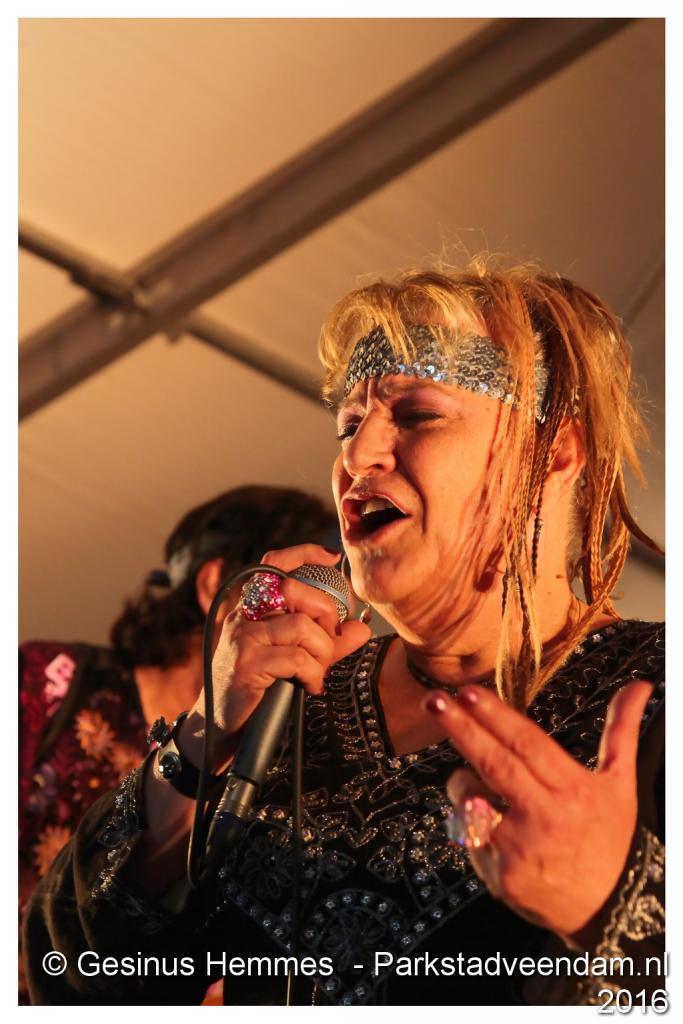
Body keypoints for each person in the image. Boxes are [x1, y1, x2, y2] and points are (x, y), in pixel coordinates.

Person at [24, 262, 664, 1007]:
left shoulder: (655, 691)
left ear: (552, 453)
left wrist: (614, 912)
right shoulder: (296, 703)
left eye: (417, 414)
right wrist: (202, 740)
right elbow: (64, 982)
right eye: (348, 426)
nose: (356, 458)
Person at [19, 484, 340, 1003]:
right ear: (216, 583)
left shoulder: (273, 762)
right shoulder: (46, 681)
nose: (311, 619)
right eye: (299, 591)